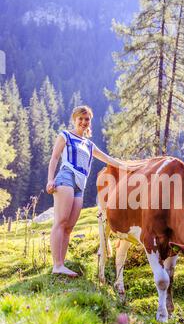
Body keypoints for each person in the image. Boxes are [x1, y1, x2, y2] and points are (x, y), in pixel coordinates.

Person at [46, 105, 134, 277]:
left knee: (69, 226)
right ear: (75, 119)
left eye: (87, 119)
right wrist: (50, 179)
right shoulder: (65, 135)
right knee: (61, 221)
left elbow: (107, 159)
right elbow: (55, 157)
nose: (84, 122)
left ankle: (61, 264)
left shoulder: (89, 144)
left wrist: (128, 167)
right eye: (81, 118)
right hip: (66, 177)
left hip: (80, 184)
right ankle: (57, 265)